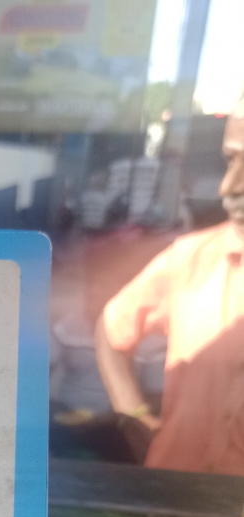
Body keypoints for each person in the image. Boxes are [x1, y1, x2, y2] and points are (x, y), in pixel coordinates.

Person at [95, 94, 244, 475]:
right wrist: (132, 414)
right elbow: (111, 329)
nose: (228, 187)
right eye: (230, 161)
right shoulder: (190, 258)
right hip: (170, 495)